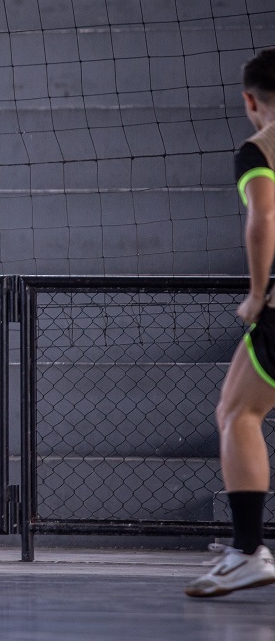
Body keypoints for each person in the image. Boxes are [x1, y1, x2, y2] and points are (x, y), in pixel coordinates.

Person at [186, 47, 275, 597]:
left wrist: (258, 293)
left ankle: (248, 551)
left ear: (249, 101)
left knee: (237, 411)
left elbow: (264, 217)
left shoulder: (260, 147)